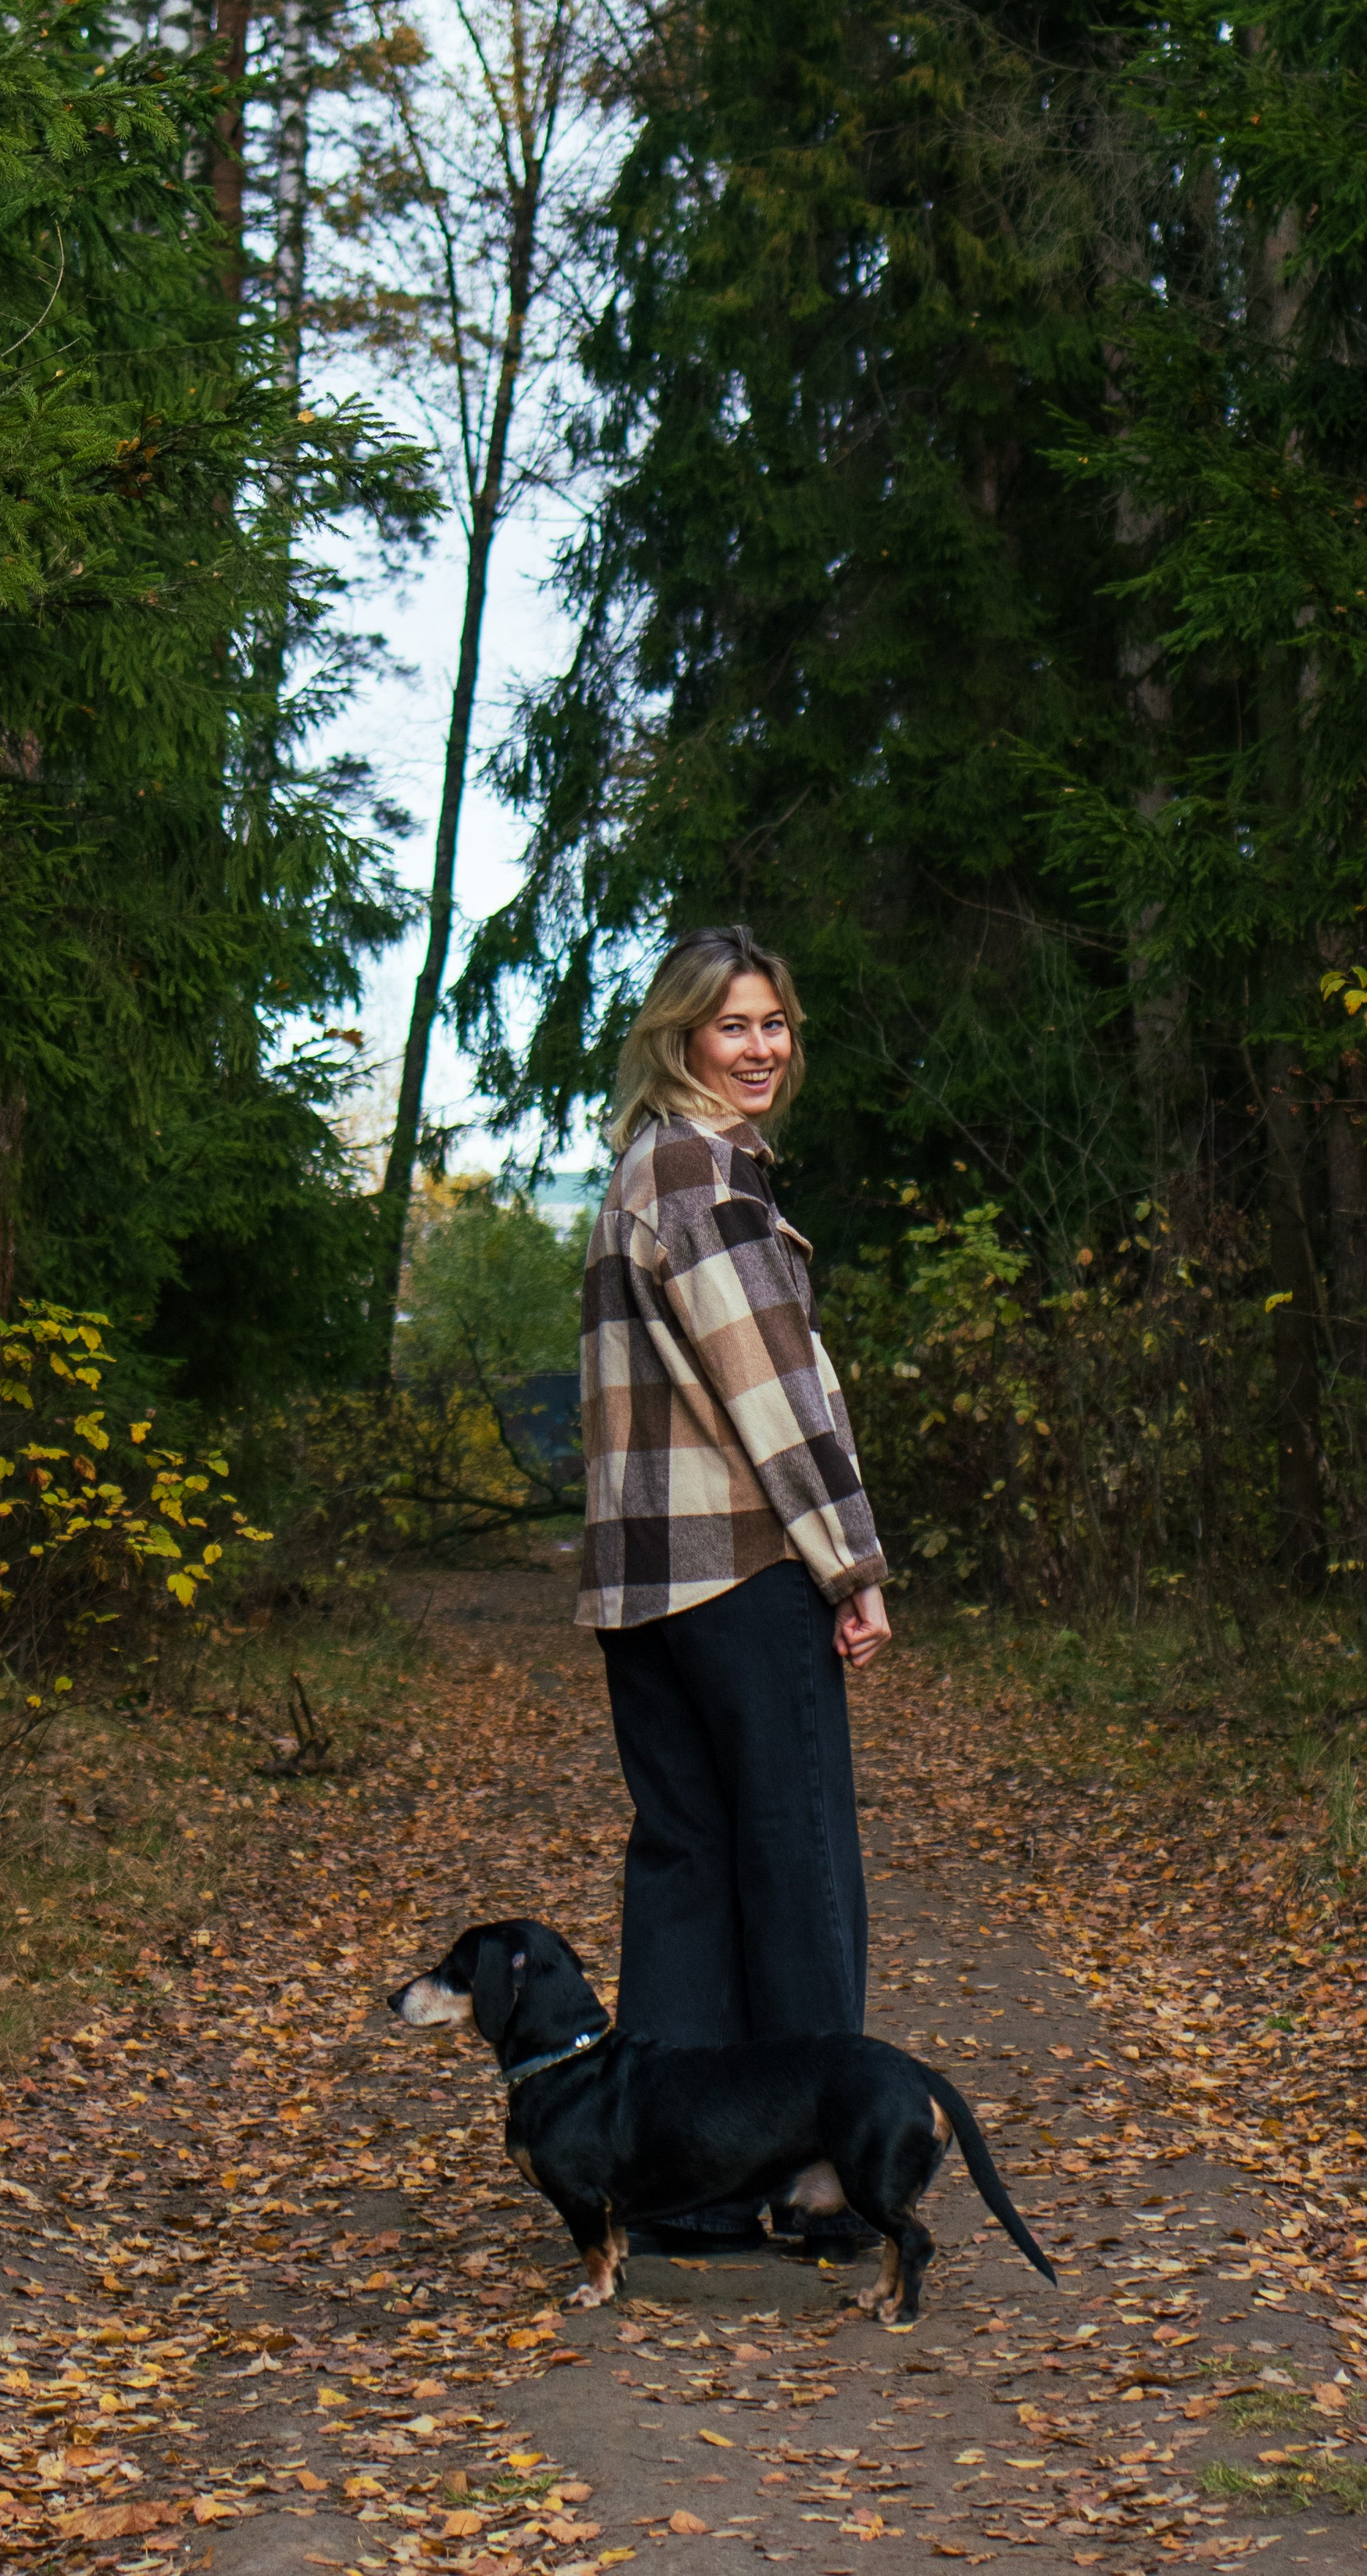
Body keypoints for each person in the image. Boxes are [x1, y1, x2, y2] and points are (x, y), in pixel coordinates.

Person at [578, 924, 891, 2251]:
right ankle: (824, 2184)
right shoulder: (706, 1178)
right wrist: (852, 1563)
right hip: (745, 1573)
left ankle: (678, 2195)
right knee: (797, 1864)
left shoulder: (637, 1174)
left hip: (644, 1584)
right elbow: (773, 1395)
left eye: (777, 1025)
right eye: (734, 1027)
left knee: (688, 1872)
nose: (762, 1048)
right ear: (680, 1039)